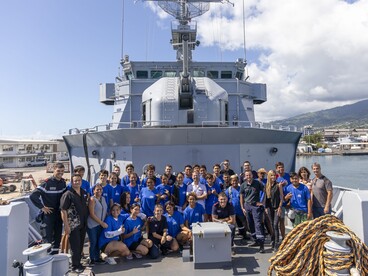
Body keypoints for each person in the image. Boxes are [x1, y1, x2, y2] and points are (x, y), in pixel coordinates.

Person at [30, 162, 67, 255]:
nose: (60, 173)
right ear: (53, 170)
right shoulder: (47, 183)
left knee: (58, 237)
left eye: (62, 171)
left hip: (59, 215)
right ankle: (46, 258)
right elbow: (33, 195)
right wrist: (42, 207)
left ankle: (55, 257)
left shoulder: (63, 183)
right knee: (47, 238)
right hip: (49, 215)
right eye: (58, 171)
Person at [60, 174, 89, 273]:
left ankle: (79, 263)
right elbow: (63, 210)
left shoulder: (84, 193)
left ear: (81, 181)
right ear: (72, 182)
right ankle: (75, 265)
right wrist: (66, 226)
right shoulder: (68, 194)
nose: (77, 182)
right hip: (73, 225)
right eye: (75, 181)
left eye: (79, 180)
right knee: (75, 246)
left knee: (80, 245)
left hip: (83, 223)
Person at [240, 171, 265, 253]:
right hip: (247, 206)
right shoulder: (243, 184)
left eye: (249, 175)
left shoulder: (257, 183)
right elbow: (241, 196)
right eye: (247, 175)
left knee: (258, 224)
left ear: (252, 175)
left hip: (255, 206)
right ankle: (255, 240)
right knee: (250, 224)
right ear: (245, 176)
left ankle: (261, 245)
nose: (248, 176)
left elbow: (265, 191)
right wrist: (242, 207)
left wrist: (262, 202)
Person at [87, 183, 108, 265]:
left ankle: (97, 257)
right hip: (93, 224)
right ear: (93, 191)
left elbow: (104, 210)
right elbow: (92, 214)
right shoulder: (92, 200)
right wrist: (101, 223)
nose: (99, 191)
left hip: (100, 224)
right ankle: (92, 258)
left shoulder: (103, 198)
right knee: (93, 241)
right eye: (97, 189)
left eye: (100, 189)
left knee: (98, 241)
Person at [264, 170, 283, 252]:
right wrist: (265, 208)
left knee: (275, 225)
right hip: (270, 208)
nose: (273, 177)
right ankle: (273, 239)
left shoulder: (278, 185)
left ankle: (276, 243)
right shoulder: (267, 186)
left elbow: (282, 197)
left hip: (276, 208)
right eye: (272, 175)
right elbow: (266, 199)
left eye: (274, 175)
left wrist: (280, 207)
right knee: (271, 225)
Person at [226, 175, 248, 243]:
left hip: (240, 210)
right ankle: (232, 238)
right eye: (233, 181)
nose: (234, 182)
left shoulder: (241, 188)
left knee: (243, 223)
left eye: (236, 180)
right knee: (233, 224)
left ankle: (244, 234)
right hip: (232, 211)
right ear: (230, 182)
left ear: (238, 181)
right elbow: (225, 199)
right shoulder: (228, 190)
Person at [275, 161, 290, 240]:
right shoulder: (276, 178)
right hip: (280, 202)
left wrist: (289, 201)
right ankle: (278, 237)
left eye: (282, 167)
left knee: (282, 221)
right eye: (279, 167)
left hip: (288, 201)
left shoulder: (288, 176)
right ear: (276, 169)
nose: (281, 169)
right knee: (279, 220)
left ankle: (284, 237)